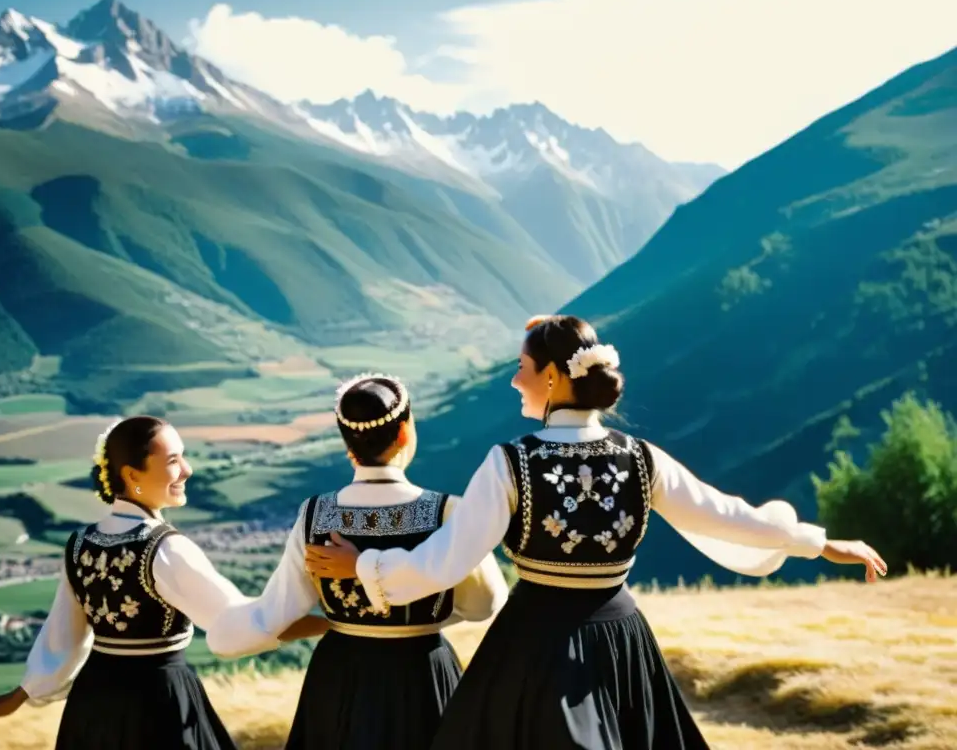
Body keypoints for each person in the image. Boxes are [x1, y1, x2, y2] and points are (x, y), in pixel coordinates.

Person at [305, 316, 888, 750]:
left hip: (532, 650)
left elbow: (443, 562)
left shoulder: (510, 463)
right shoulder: (641, 458)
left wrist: (362, 566)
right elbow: (728, 514)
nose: (514, 381)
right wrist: (818, 542)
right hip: (620, 641)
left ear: (554, 377)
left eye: (523, 369)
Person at [0, 415, 327, 748]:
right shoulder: (165, 548)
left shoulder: (80, 546)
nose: (187, 470)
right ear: (131, 474)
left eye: (183, 457)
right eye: (172, 461)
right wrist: (332, 624)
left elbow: (62, 642)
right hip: (157, 705)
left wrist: (18, 696)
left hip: (93, 708)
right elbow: (238, 625)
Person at [206, 373, 509, 750]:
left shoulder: (315, 514)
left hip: (341, 671)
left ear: (348, 442)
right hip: (421, 669)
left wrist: (223, 633)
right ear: (403, 434)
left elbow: (275, 611)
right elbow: (485, 605)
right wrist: (420, 614)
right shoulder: (448, 512)